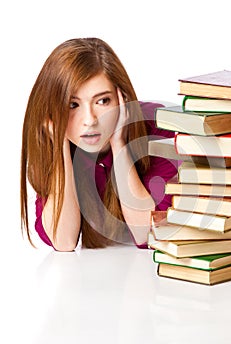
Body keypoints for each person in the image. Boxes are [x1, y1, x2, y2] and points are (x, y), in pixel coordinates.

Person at [20, 37, 178, 252]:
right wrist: (59, 148)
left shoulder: (157, 131)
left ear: (121, 98)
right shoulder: (59, 142)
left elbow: (147, 233)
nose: (90, 119)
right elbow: (63, 241)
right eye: (72, 105)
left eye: (103, 101)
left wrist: (118, 143)